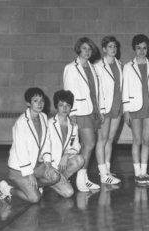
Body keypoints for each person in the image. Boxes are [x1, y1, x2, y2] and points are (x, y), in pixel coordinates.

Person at [0, 88, 60, 203]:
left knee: (55, 176)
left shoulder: (43, 117)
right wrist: (29, 174)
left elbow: (46, 141)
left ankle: (35, 186)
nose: (40, 104)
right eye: (35, 101)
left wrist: (48, 163)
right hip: (19, 169)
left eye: (41, 100)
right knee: (35, 199)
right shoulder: (21, 123)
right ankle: (6, 189)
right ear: (28, 103)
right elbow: (21, 151)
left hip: (37, 165)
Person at [63, 37, 102, 192]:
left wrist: (99, 110)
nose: (87, 51)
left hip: (92, 110)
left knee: (87, 145)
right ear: (79, 49)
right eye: (84, 48)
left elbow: (95, 92)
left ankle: (83, 178)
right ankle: (80, 180)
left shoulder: (92, 68)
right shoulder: (71, 68)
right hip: (80, 110)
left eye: (90, 49)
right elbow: (67, 92)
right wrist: (71, 112)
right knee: (90, 143)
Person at [122, 34, 149, 184]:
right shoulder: (127, 67)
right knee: (137, 140)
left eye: (144, 48)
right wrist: (126, 110)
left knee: (146, 140)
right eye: (138, 48)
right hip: (135, 108)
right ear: (134, 49)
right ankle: (137, 172)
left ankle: (144, 172)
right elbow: (124, 89)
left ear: (148, 49)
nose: (142, 51)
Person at [94, 35, 123, 185]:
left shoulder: (119, 64)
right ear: (104, 49)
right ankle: (103, 174)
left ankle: (107, 170)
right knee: (102, 139)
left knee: (110, 140)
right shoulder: (98, 66)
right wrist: (100, 110)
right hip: (104, 108)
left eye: (115, 46)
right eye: (110, 46)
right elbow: (97, 91)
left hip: (117, 107)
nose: (113, 49)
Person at [48, 90, 85, 198]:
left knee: (80, 160)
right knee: (69, 193)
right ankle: (50, 180)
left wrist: (66, 155)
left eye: (67, 105)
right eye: (61, 105)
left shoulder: (73, 126)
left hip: (62, 165)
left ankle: (55, 181)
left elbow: (76, 146)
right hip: (50, 166)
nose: (64, 108)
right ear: (56, 106)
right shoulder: (49, 124)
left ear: (71, 107)